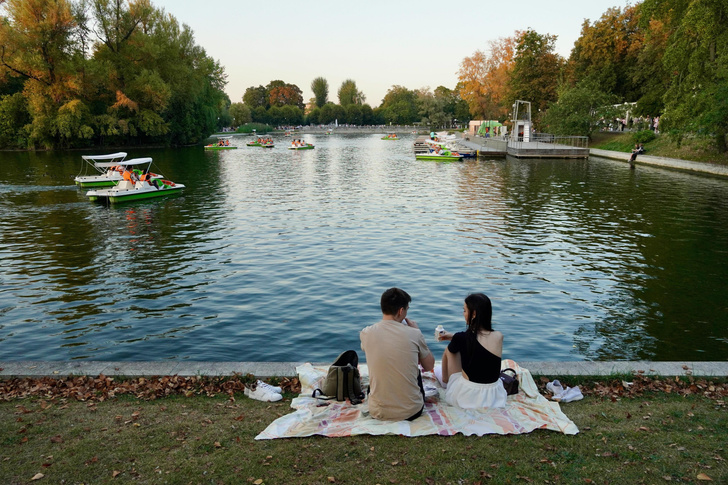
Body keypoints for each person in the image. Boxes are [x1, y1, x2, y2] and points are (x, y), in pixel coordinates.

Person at [360, 288, 435, 421]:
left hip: (378, 411)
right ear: (401, 311)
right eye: (407, 309)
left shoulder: (366, 333)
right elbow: (429, 366)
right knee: (415, 371)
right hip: (411, 411)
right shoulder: (414, 333)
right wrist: (418, 333)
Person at [435, 293, 506, 409]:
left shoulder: (462, 338)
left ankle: (445, 380)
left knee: (450, 351)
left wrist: (455, 338)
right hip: (494, 396)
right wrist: (454, 337)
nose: (463, 314)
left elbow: (469, 341)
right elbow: (479, 342)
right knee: (459, 347)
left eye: (464, 311)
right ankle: (445, 378)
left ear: (473, 314)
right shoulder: (499, 336)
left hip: (469, 397)